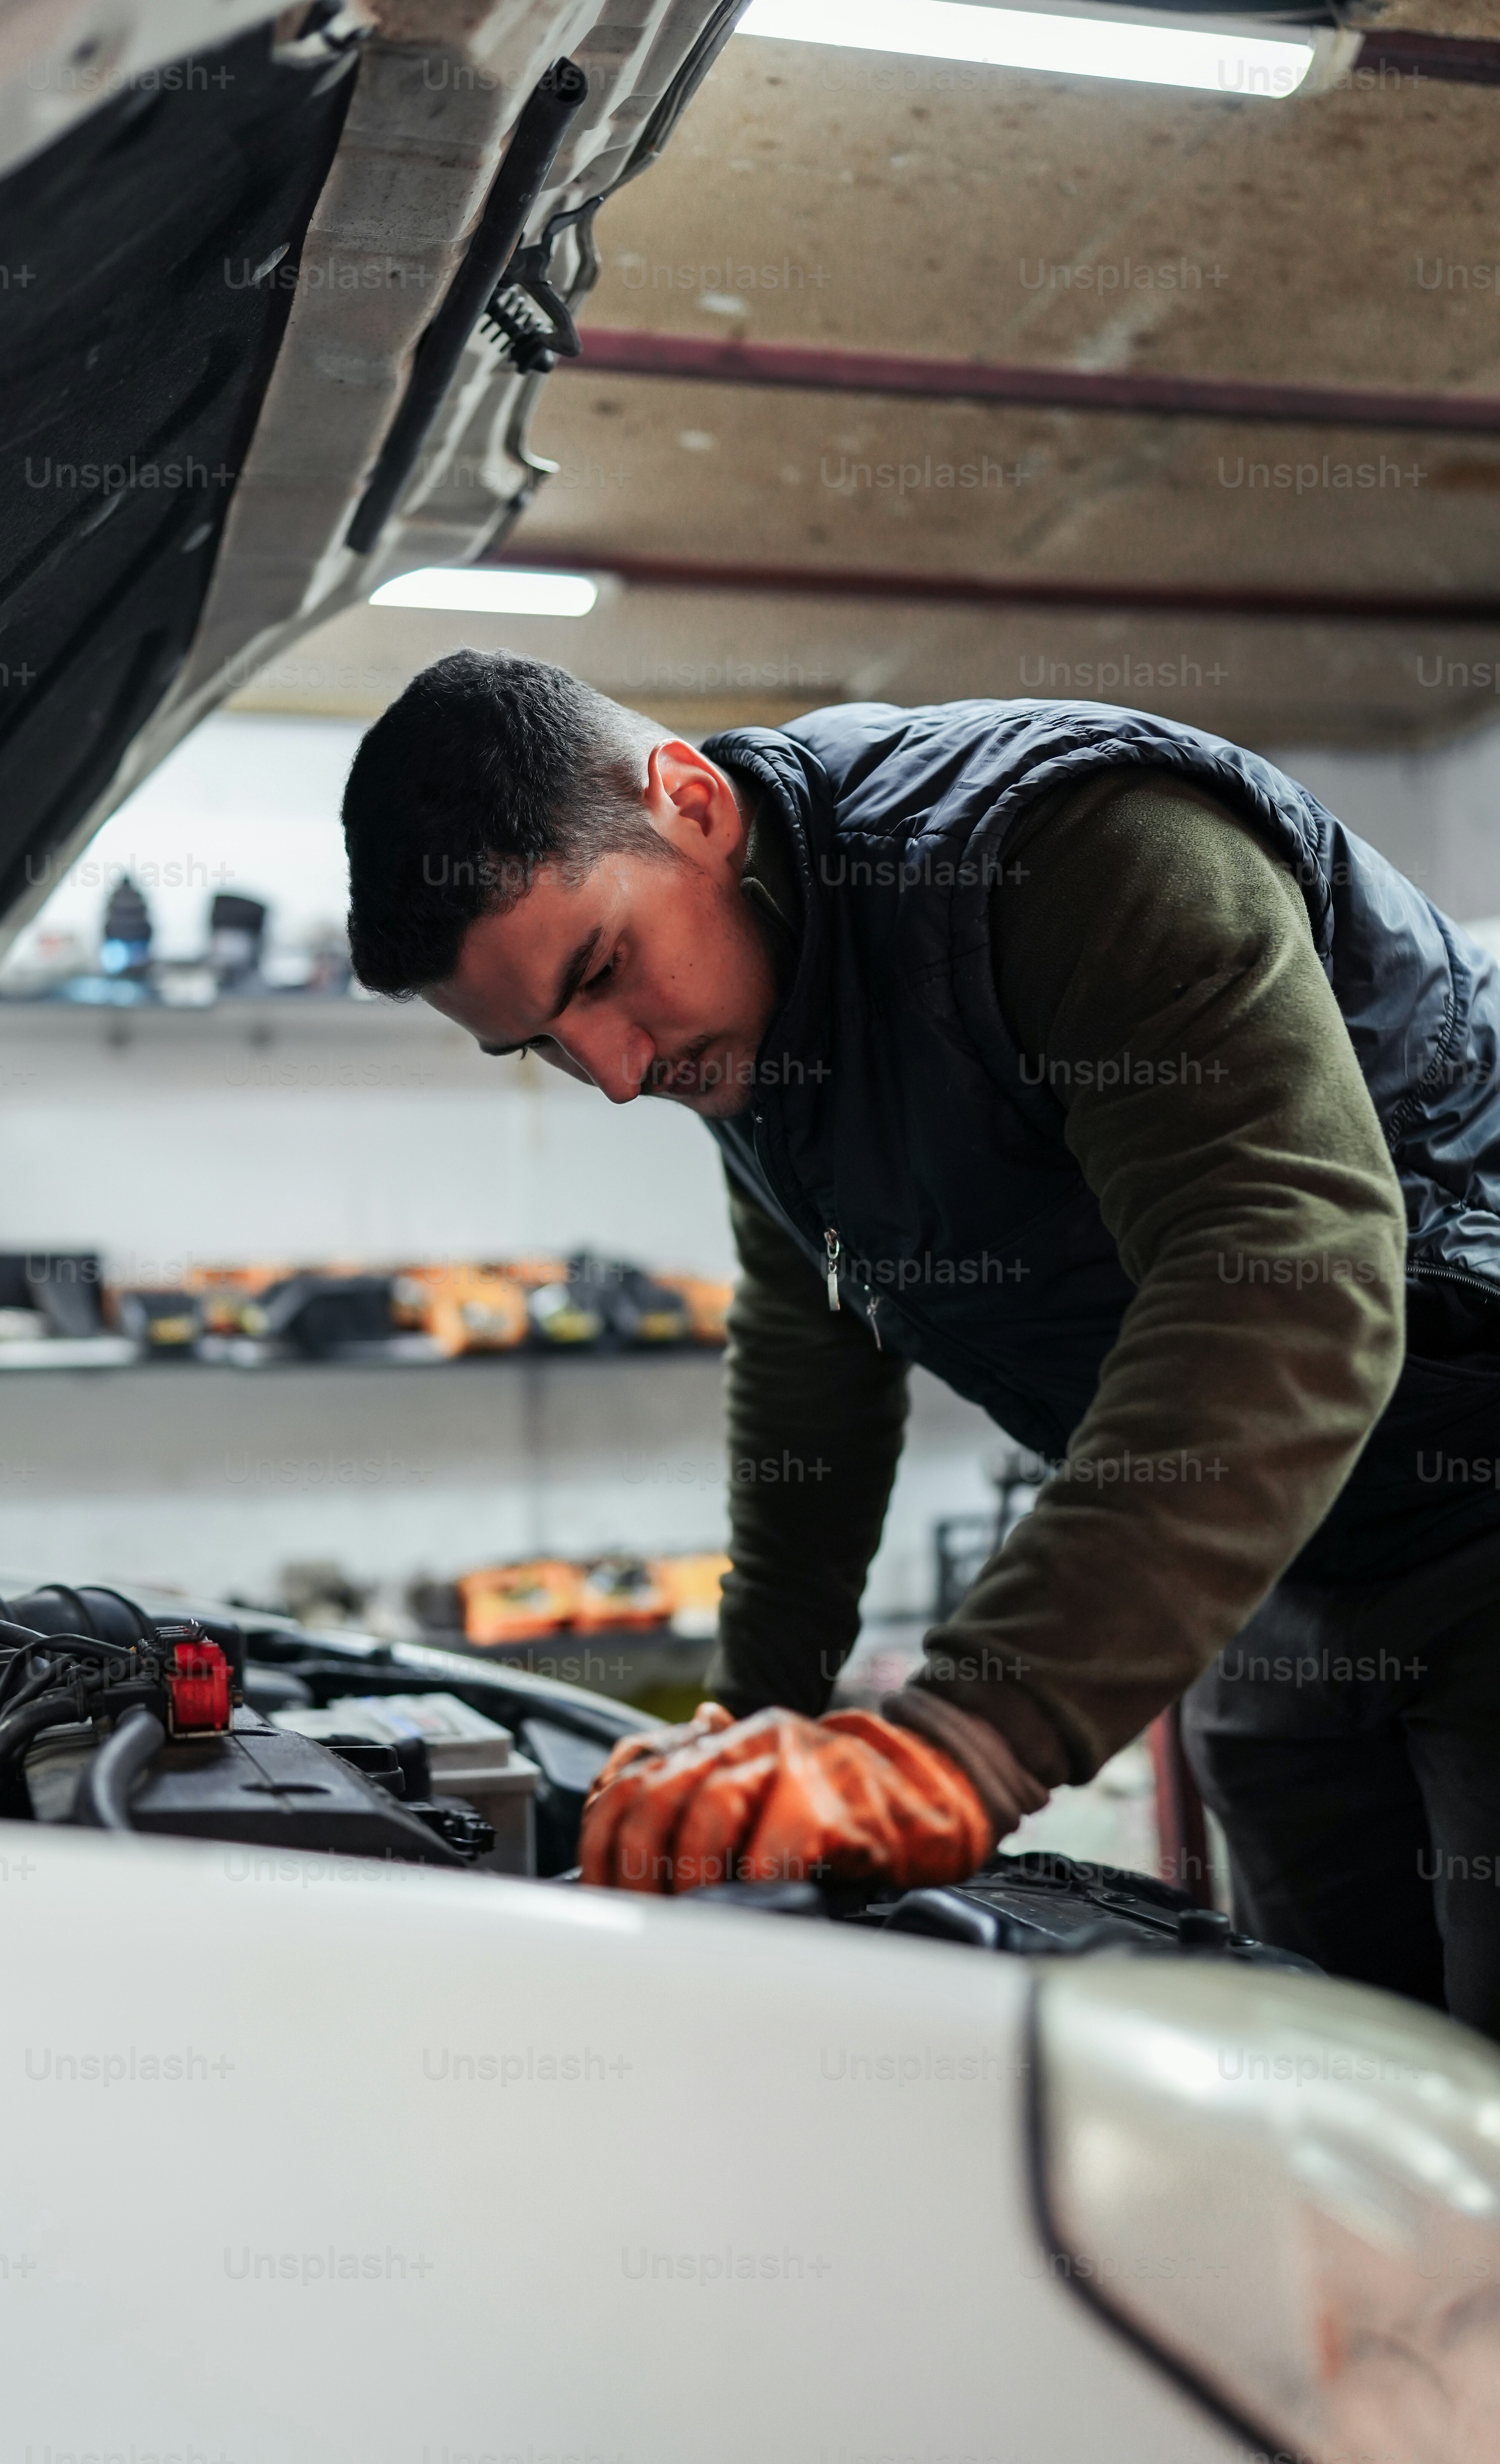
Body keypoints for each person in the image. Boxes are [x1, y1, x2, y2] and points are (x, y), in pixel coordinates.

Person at [342, 649, 1500, 2030]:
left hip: (1473, 1493)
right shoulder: (750, 1025)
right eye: (541, 1043)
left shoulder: (1079, 850)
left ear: (688, 804)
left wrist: (958, 1744)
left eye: (601, 971)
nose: (617, 1073)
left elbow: (1283, 1276)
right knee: (1343, 2075)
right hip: (1285, 1558)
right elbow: (811, 1355)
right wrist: (751, 1724)